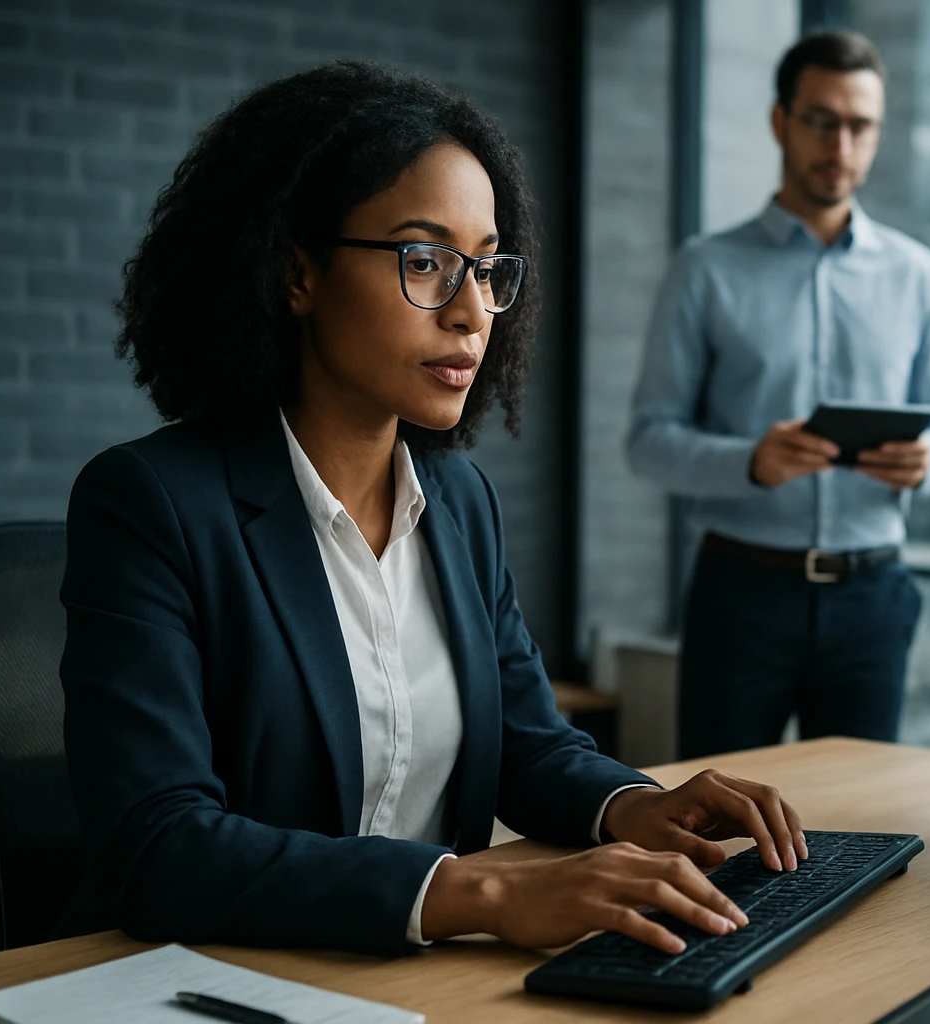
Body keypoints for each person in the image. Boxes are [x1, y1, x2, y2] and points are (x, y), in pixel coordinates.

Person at [58, 61, 807, 959]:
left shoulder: (458, 499)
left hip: (419, 983)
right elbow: (158, 845)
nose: (470, 312)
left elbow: (528, 742)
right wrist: (485, 890)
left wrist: (636, 806)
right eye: (425, 260)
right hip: (221, 978)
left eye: (487, 269)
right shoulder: (152, 506)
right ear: (296, 272)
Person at [627, 31, 930, 759]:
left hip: (872, 597)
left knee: (860, 827)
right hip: (741, 593)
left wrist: (928, 461)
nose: (839, 146)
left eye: (859, 126)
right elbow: (649, 439)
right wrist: (752, 461)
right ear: (781, 121)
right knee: (713, 824)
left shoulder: (918, 275)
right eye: (820, 121)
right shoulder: (705, 269)